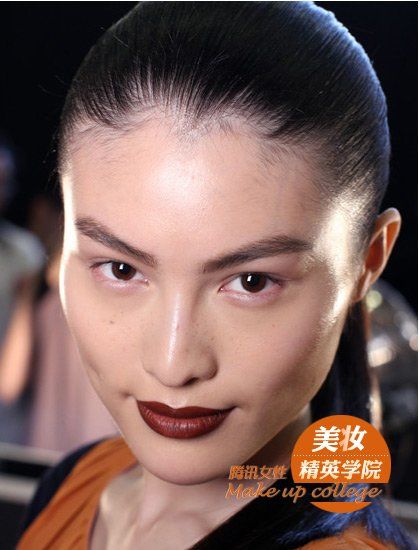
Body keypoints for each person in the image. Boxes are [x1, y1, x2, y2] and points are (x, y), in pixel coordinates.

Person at [17, 2, 416, 549]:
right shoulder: (76, 481)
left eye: (251, 282)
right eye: (121, 268)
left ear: (367, 263)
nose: (173, 364)